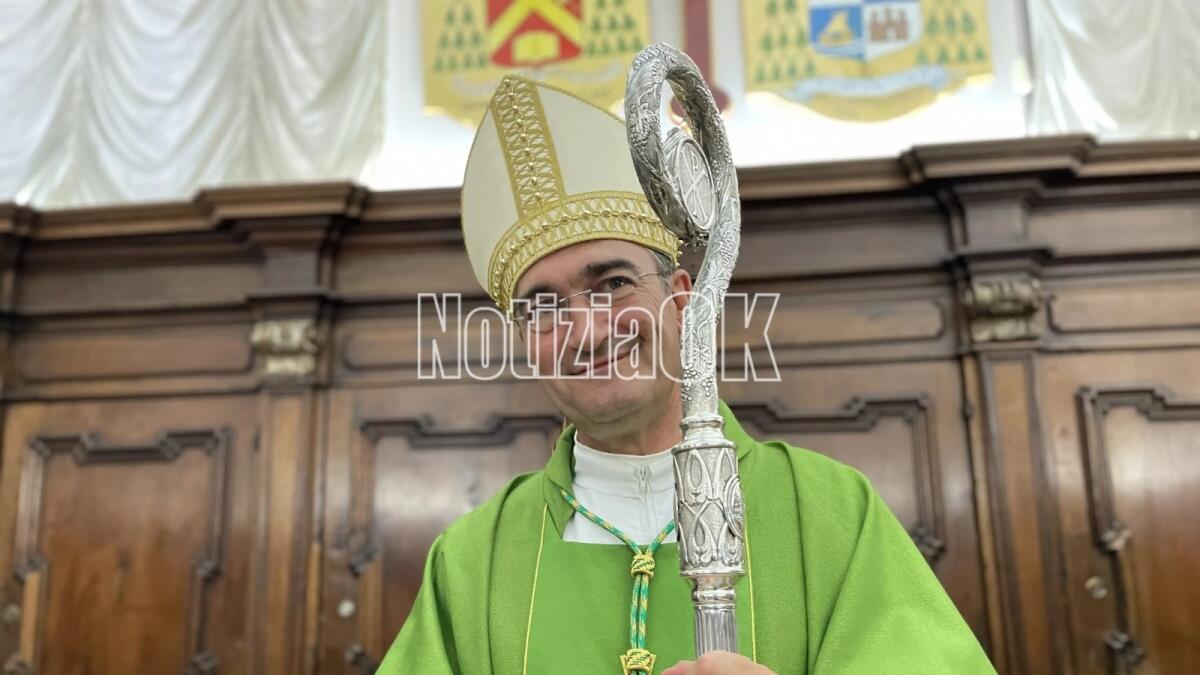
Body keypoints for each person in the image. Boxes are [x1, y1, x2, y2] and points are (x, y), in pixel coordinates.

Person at [378, 74, 994, 674]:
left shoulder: (830, 514)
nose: (587, 332)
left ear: (681, 299)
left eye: (613, 284)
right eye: (542, 308)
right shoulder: (471, 562)